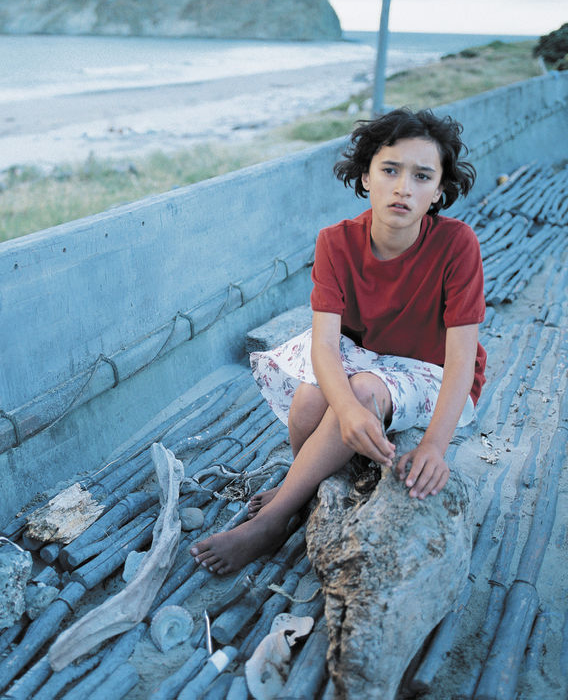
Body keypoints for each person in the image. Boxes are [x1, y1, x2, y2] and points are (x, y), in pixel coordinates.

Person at [190, 107, 486, 575]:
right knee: (312, 399)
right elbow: (324, 346)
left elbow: (462, 359)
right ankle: (303, 488)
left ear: (439, 192)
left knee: (364, 390)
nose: (403, 186)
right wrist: (344, 410)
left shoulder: (457, 244)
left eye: (422, 176)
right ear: (366, 177)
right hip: (363, 354)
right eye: (390, 170)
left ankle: (273, 519)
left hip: (429, 369)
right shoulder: (336, 241)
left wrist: (434, 446)